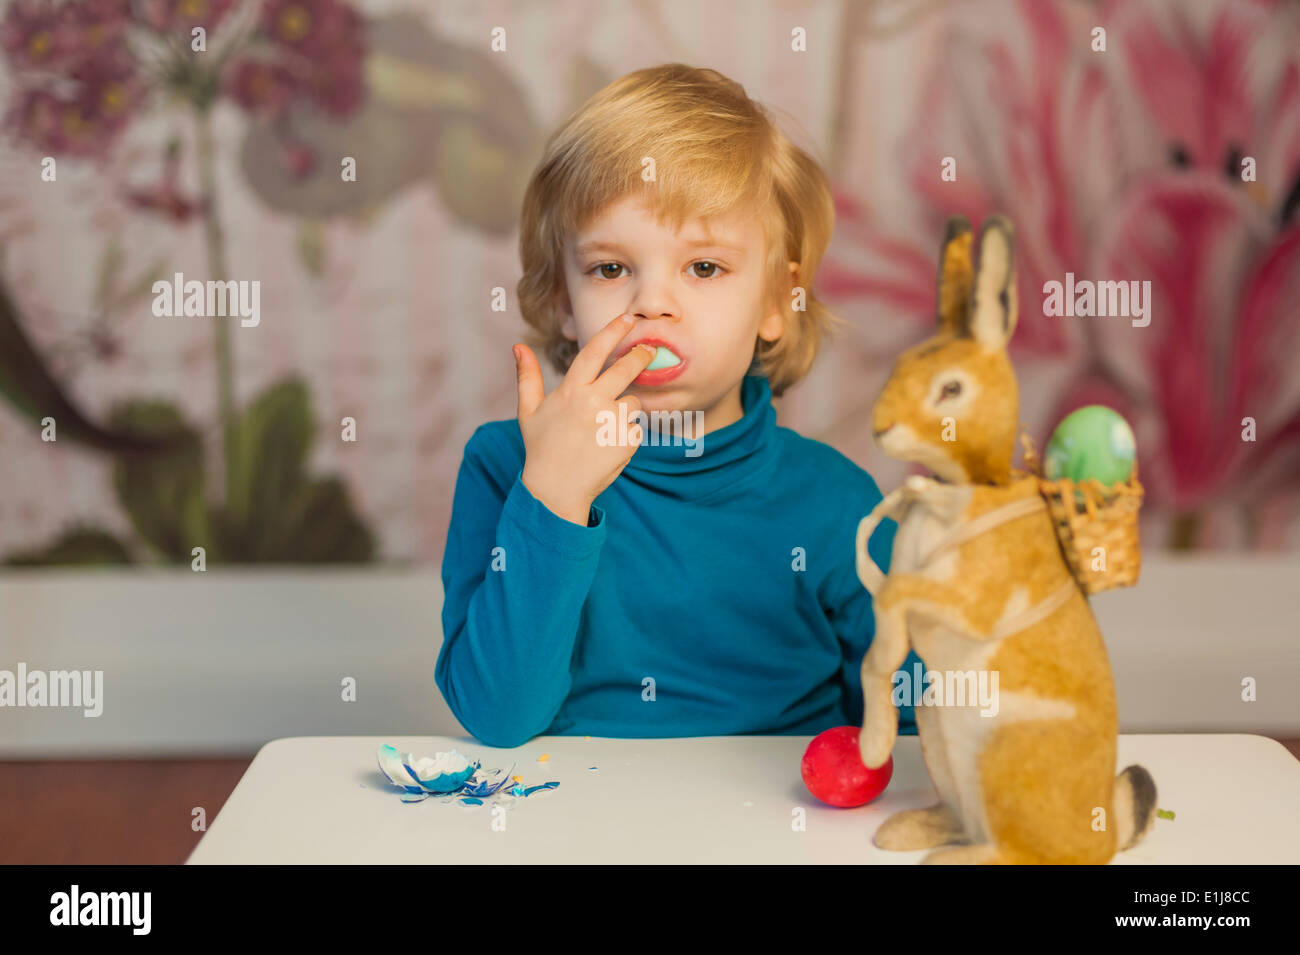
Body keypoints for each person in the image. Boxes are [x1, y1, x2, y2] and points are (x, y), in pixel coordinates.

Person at [437, 63, 918, 747]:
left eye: (704, 267)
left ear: (777, 302)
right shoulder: (505, 464)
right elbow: (498, 715)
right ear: (561, 304)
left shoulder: (839, 503)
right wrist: (552, 496)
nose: (653, 303)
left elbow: (920, 729)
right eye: (611, 268)